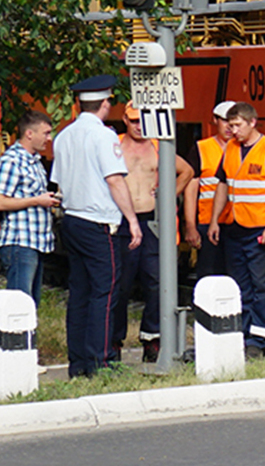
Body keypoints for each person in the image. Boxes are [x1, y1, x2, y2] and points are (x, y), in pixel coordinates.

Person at [51, 76, 141, 377]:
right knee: (105, 292)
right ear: (105, 103)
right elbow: (114, 180)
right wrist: (132, 220)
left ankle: (78, 363)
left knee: (79, 292)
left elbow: (59, 182)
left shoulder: (63, 136)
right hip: (99, 224)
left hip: (72, 220)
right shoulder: (104, 137)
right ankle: (101, 361)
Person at [114, 105, 196, 363]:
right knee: (120, 284)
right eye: (135, 121)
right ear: (125, 119)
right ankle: (114, 341)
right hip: (122, 221)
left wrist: (167, 195)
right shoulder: (114, 145)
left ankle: (152, 339)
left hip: (152, 221)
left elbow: (187, 171)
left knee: (156, 282)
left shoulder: (159, 146)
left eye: (143, 121)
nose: (139, 126)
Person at [207, 102, 265, 357]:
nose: (233, 131)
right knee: (241, 287)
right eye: (230, 126)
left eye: (238, 125)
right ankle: (245, 335)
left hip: (260, 229)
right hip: (235, 228)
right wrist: (215, 220)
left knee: (262, 287)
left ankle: (259, 341)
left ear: (253, 122)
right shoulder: (231, 148)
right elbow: (223, 185)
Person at [0, 110, 59, 303]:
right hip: (20, 242)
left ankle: (28, 335)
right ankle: (13, 335)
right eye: (46, 133)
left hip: (36, 242)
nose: (49, 139)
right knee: (19, 305)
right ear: (29, 134)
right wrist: (36, 201)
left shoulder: (35, 162)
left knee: (31, 303)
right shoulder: (12, 161)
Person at [183, 101, 237, 281]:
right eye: (224, 120)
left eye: (234, 121)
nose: (229, 126)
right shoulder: (201, 149)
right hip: (208, 224)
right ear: (215, 120)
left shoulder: (244, 150)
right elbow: (191, 190)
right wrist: (190, 226)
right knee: (210, 277)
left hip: (237, 224)